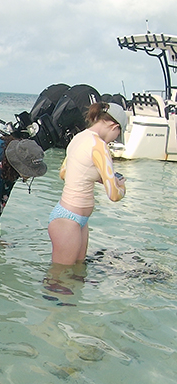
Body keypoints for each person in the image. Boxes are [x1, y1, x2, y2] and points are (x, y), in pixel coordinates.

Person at [48, 102, 127, 265]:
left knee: (74, 275)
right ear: (113, 126)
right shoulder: (100, 146)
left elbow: (64, 173)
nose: (114, 140)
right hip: (70, 221)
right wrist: (122, 185)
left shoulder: (79, 138)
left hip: (69, 216)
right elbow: (114, 195)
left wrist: (94, 176)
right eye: (117, 135)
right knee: (60, 280)